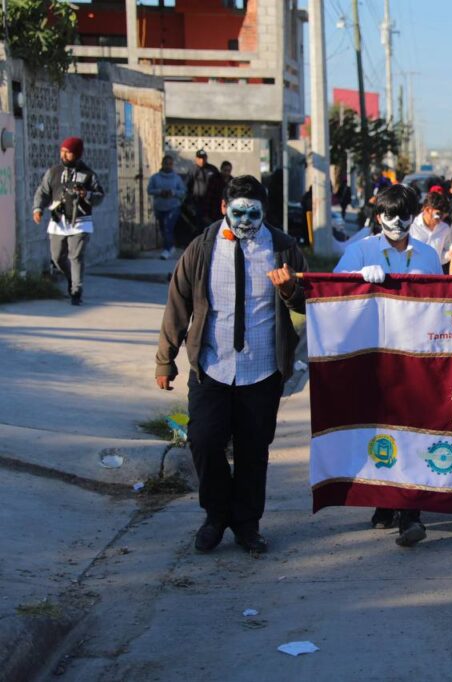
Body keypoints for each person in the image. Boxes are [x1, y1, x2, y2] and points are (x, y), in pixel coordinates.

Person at [155, 175, 307, 555]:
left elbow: (308, 303)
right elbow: (179, 303)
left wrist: (290, 290)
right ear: (223, 207)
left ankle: (247, 525)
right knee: (204, 442)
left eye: (252, 213)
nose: (244, 221)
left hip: (262, 368)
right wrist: (166, 360)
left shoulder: (284, 249)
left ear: (264, 211)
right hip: (212, 366)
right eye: (237, 212)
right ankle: (215, 516)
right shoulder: (202, 247)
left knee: (253, 451)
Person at [334, 184, 442, 548]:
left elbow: (443, 303)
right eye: (389, 215)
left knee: (411, 433)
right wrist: (356, 279)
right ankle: (383, 499)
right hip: (374, 357)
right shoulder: (359, 251)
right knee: (378, 432)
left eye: (404, 214)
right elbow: (331, 293)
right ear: (378, 216)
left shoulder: (428, 255)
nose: (397, 222)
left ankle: (410, 514)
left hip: (415, 358)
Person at [32, 136, 106, 306]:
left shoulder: (88, 175)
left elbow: (100, 196)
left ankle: (76, 290)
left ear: (77, 154)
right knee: (57, 257)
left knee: (76, 256)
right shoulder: (53, 172)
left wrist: (86, 195)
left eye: (69, 153)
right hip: (58, 221)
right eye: (62, 151)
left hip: (80, 221)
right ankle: (71, 279)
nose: (64, 156)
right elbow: (42, 192)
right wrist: (38, 209)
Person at [147, 155, 187, 260]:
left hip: (173, 206)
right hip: (160, 207)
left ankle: (166, 250)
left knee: (167, 227)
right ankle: (171, 246)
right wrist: (160, 192)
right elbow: (149, 190)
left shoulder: (177, 178)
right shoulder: (155, 177)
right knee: (163, 228)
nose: (168, 166)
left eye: (170, 164)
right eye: (166, 163)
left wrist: (173, 192)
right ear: (162, 164)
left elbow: (183, 192)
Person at [186, 150, 223, 232]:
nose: (202, 160)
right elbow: (187, 187)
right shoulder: (192, 170)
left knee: (212, 227)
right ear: (196, 158)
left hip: (211, 205)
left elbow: (219, 185)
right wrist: (189, 203)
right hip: (197, 204)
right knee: (199, 227)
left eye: (203, 158)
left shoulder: (212, 169)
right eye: (200, 158)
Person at [409, 190, 452, 262]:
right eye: (438, 214)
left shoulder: (445, 228)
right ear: (427, 210)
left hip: (435, 270)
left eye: (443, 215)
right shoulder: (412, 226)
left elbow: (444, 253)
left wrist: (450, 254)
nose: (441, 218)